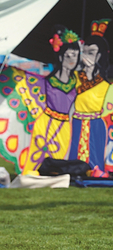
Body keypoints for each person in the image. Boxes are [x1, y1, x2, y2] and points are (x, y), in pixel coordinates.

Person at [23, 27, 81, 173]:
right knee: (39, 160)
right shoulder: (47, 82)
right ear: (61, 57)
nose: (72, 60)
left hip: (68, 126)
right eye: (69, 56)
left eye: (75, 55)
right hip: (46, 125)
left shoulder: (78, 83)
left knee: (64, 160)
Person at [69, 19, 111, 174]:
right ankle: (74, 170)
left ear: (99, 56)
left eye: (91, 53)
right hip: (77, 121)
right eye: (84, 52)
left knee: (96, 152)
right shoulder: (74, 77)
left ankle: (96, 170)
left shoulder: (105, 84)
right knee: (74, 149)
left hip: (96, 123)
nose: (86, 56)